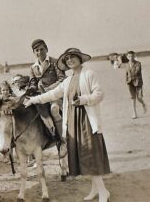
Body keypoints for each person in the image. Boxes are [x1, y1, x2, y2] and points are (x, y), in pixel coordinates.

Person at [24, 48, 111, 202]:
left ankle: (103, 191)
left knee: (91, 155)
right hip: (73, 121)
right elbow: (52, 94)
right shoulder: (67, 80)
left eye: (73, 57)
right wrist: (33, 100)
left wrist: (83, 100)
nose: (70, 60)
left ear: (79, 59)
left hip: (87, 121)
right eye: (67, 59)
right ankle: (95, 189)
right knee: (84, 155)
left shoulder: (89, 74)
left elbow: (99, 94)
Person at [28, 39, 66, 138]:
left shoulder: (55, 62)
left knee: (54, 109)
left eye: (42, 49)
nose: (39, 52)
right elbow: (32, 82)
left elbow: (62, 79)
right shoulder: (33, 67)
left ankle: (62, 138)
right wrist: (32, 88)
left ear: (47, 49)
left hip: (56, 94)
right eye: (36, 50)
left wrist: (49, 88)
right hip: (41, 96)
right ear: (34, 52)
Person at [125, 51, 147, 119]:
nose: (131, 58)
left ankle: (143, 104)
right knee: (132, 98)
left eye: (132, 56)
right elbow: (126, 73)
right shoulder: (127, 64)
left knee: (139, 98)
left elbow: (137, 71)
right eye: (129, 56)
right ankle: (134, 113)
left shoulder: (138, 63)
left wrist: (130, 76)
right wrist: (126, 79)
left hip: (138, 82)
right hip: (130, 83)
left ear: (134, 56)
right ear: (127, 57)